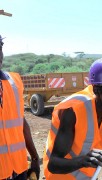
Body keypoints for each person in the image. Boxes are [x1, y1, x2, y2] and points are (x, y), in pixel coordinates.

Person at [0, 35, 40, 180]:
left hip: (18, 168)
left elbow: (21, 122)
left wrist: (35, 158)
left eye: (0, 47)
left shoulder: (14, 82)